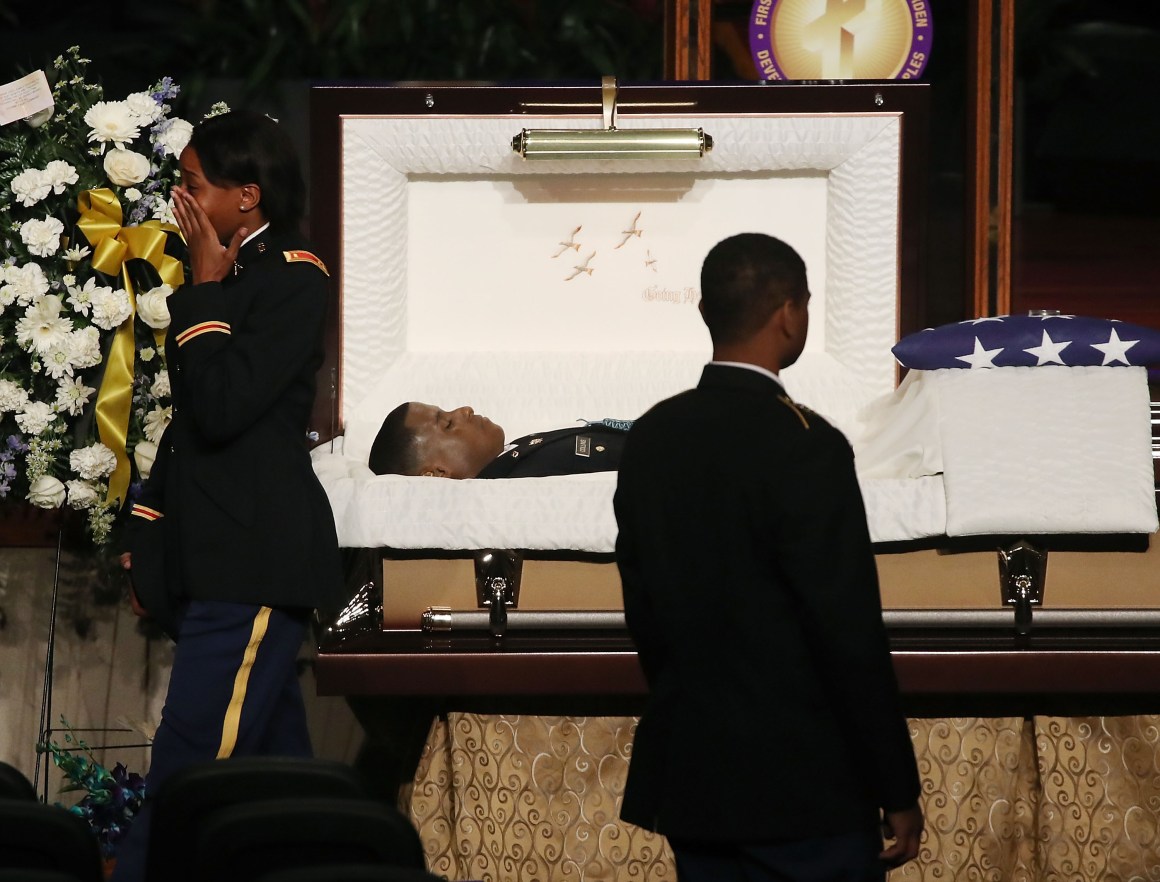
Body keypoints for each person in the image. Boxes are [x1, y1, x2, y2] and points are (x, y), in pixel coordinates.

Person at [613, 233, 923, 882]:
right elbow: (847, 635)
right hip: (806, 789)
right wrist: (896, 785)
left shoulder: (651, 438)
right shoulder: (807, 445)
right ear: (788, 313)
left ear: (708, 313)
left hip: (696, 778)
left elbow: (645, 613)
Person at [111, 110, 343, 882]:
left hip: (254, 560)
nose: (178, 198)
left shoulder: (292, 277)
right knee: (279, 777)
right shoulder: (237, 277)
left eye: (191, 184)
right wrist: (148, 538)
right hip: (222, 555)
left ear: (246, 196)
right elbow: (188, 439)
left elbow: (221, 408)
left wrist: (202, 292)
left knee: (189, 764)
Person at [367, 401, 629, 478]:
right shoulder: (521, 486)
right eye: (447, 423)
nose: (464, 410)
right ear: (437, 472)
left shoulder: (515, 456)